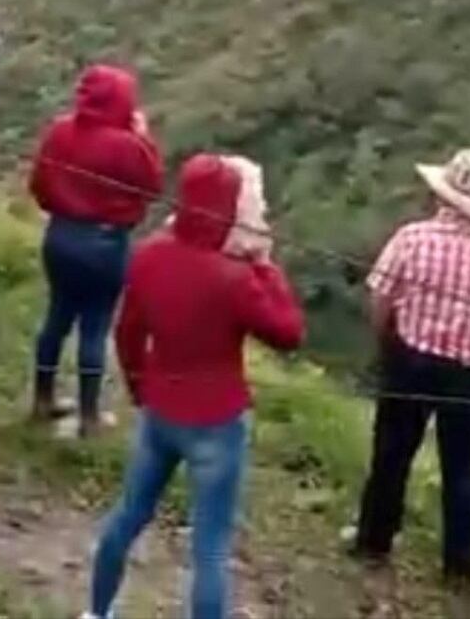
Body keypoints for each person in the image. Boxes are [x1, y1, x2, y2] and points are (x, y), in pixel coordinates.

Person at [88, 154, 305, 619]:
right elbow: (289, 333)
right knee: (209, 547)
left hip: (160, 410)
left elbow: (127, 332)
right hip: (217, 421)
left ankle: (97, 612)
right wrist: (266, 265)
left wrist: (139, 388)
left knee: (127, 516)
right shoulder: (235, 277)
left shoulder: (150, 254)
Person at [351, 149, 470, 586]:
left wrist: (388, 342)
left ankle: (374, 540)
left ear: (443, 194)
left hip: (410, 359)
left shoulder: (413, 238)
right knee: (463, 468)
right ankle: (460, 563)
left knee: (391, 454)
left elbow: (380, 298)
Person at [29, 64, 163, 436]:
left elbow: (39, 182)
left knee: (57, 315)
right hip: (106, 244)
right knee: (95, 325)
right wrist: (144, 138)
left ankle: (43, 398)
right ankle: (88, 415)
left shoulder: (59, 131)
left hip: (60, 237)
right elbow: (152, 185)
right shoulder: (128, 145)